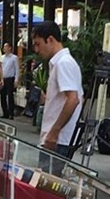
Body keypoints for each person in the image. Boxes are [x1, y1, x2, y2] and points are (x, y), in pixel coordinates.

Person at [32, 21, 83, 160]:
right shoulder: (60, 63)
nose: (37, 50)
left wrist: (54, 132)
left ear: (50, 40)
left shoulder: (63, 63)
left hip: (57, 139)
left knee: (49, 180)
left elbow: (73, 99)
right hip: (55, 138)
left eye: (38, 44)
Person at [0, 42, 19, 119]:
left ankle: (11, 113)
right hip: (3, 78)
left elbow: (17, 69)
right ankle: (5, 113)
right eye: (4, 47)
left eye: (6, 46)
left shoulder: (14, 58)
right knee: (2, 96)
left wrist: (16, 79)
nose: (4, 48)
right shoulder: (1, 57)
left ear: (10, 48)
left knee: (10, 96)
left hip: (10, 78)